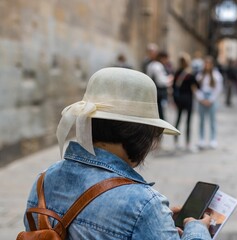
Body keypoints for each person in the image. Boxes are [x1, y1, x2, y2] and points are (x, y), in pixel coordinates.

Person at [21, 68, 212, 239]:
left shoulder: (44, 180)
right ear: (140, 134)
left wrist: (156, 224)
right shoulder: (144, 204)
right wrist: (197, 230)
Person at [195, 56, 223, 149]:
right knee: (201, 121)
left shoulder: (216, 75)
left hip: (211, 99)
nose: (207, 65)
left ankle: (213, 139)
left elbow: (218, 89)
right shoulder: (200, 75)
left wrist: (211, 100)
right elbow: (196, 88)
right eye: (205, 63)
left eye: (208, 63)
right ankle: (201, 139)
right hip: (202, 99)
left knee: (212, 120)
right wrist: (201, 98)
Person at [172, 52, 199, 151]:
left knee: (178, 120)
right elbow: (197, 86)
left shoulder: (178, 72)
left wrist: (174, 100)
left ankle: (176, 141)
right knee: (188, 121)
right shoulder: (190, 73)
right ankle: (187, 143)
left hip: (179, 100)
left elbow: (174, 87)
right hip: (188, 100)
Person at [147, 51, 174, 120]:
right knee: (160, 113)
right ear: (162, 58)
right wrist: (170, 79)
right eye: (166, 59)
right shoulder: (157, 66)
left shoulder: (152, 64)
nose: (167, 61)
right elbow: (161, 81)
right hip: (158, 92)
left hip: (154, 91)